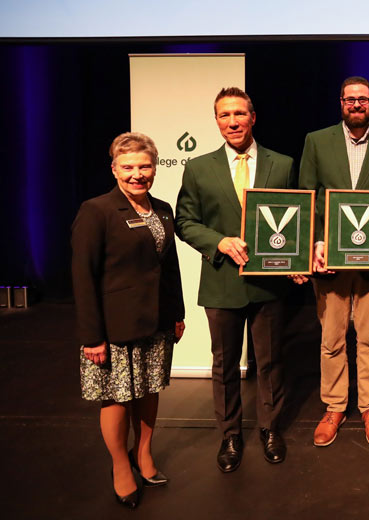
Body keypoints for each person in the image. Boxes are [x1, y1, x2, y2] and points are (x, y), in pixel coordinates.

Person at [175, 87, 294, 472]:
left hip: (267, 281)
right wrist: (219, 241)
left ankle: (270, 428)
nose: (233, 121)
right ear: (216, 120)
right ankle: (230, 434)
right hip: (221, 281)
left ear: (253, 117)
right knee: (224, 365)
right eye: (225, 115)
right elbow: (184, 221)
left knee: (271, 361)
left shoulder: (282, 164)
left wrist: (294, 256)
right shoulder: (198, 167)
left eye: (239, 114)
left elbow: (297, 217)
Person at [72, 132, 185, 509]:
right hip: (113, 327)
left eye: (144, 166)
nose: (138, 174)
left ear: (154, 168)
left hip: (156, 322)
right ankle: (121, 465)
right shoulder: (97, 210)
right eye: (129, 167)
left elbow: (170, 267)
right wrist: (91, 336)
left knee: (150, 390)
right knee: (117, 397)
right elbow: (83, 276)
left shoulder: (164, 209)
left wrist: (177, 314)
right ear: (115, 169)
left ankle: (144, 454)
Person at [298, 76, 369, 447]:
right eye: (350, 99)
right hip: (331, 261)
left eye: (363, 99)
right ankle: (334, 406)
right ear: (340, 103)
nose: (356, 105)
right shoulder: (317, 141)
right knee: (331, 337)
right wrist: (315, 243)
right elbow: (308, 198)